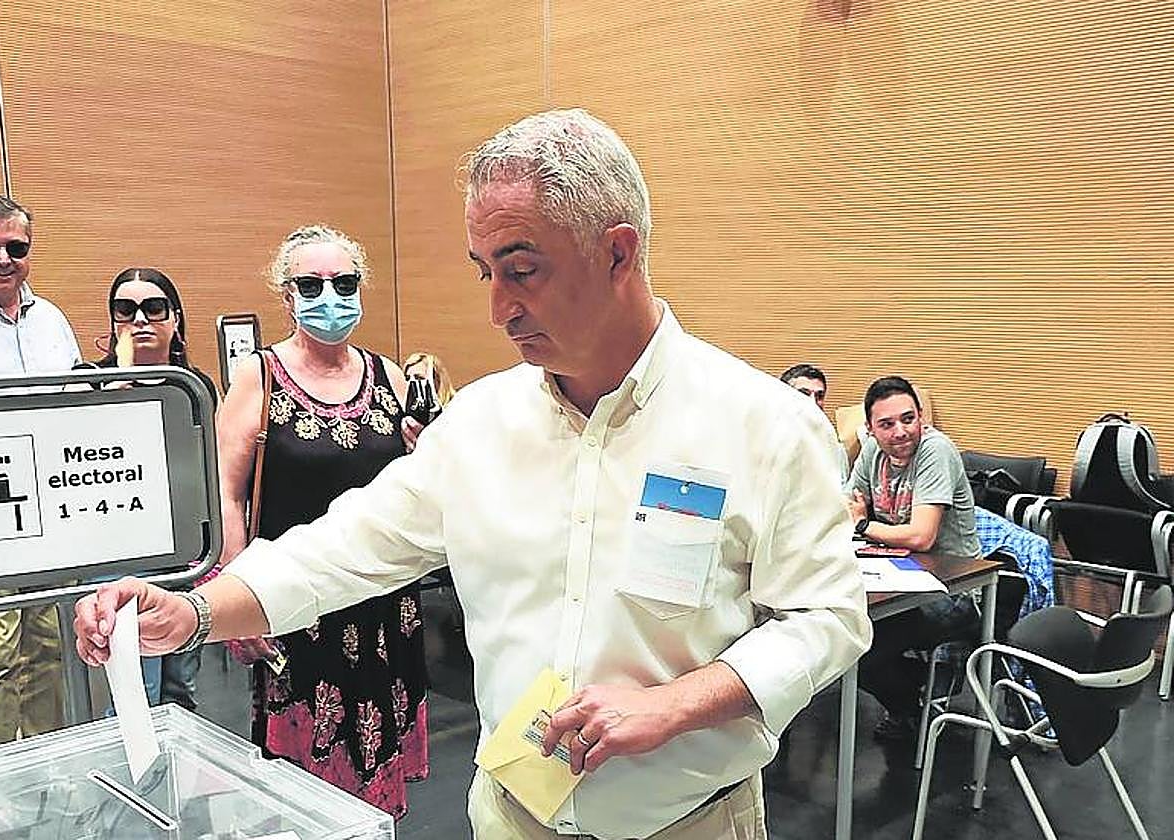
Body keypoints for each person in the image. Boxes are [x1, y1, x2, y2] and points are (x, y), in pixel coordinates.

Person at [75, 110, 871, 840]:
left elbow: (828, 618)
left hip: (687, 821)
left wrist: (676, 704)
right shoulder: (481, 426)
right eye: (482, 270)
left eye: (521, 270)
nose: (497, 309)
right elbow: (344, 546)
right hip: (507, 813)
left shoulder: (762, 423)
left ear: (618, 251)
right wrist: (195, 612)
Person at [212, 225, 427, 818]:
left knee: (375, 752)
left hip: (384, 602)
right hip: (295, 601)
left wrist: (419, 450)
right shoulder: (259, 376)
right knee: (303, 768)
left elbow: (408, 487)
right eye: (311, 284)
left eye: (343, 282)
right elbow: (229, 495)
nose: (329, 296)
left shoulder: (390, 377)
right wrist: (235, 596)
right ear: (287, 296)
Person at [0, 194, 80, 748]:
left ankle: (49, 773)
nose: (3, 259)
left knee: (47, 647)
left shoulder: (52, 321)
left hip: (47, 508)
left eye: (17, 247)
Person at [91, 267, 217, 710]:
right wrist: (118, 384)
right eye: (126, 310)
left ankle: (176, 776)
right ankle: (134, 779)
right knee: (132, 688)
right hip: (118, 554)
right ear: (113, 321)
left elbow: (208, 473)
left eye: (153, 307)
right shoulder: (89, 383)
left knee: (181, 686)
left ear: (175, 318)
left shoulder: (196, 388)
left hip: (181, 552)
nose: (140, 319)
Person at [846, 375, 981, 743]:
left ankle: (915, 702)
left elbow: (922, 536)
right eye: (887, 424)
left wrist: (863, 525)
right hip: (897, 578)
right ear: (871, 430)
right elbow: (845, 506)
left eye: (908, 419)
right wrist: (859, 522)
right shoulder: (872, 454)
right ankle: (915, 701)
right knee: (846, 638)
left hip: (953, 589)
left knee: (861, 649)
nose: (901, 431)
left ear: (922, 417)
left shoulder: (935, 451)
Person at [780, 363, 848, 482]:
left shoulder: (834, 448)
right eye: (803, 394)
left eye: (819, 396)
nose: (813, 402)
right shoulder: (762, 441)